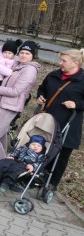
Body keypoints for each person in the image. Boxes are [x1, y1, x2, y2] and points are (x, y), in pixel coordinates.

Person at [0, 41, 40, 172]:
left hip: (10, 107)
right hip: (4, 104)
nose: (23, 55)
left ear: (33, 56)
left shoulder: (29, 70)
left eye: (27, 53)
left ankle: (3, 167)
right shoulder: (19, 65)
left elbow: (16, 91)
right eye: (22, 53)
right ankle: (2, 163)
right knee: (1, 136)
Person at [36, 48, 84, 189]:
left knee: (61, 155)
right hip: (48, 120)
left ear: (75, 63)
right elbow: (42, 88)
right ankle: (38, 176)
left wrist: (76, 104)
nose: (60, 63)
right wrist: (40, 96)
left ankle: (52, 183)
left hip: (69, 124)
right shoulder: (54, 75)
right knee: (43, 148)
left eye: (64, 60)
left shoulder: (82, 80)